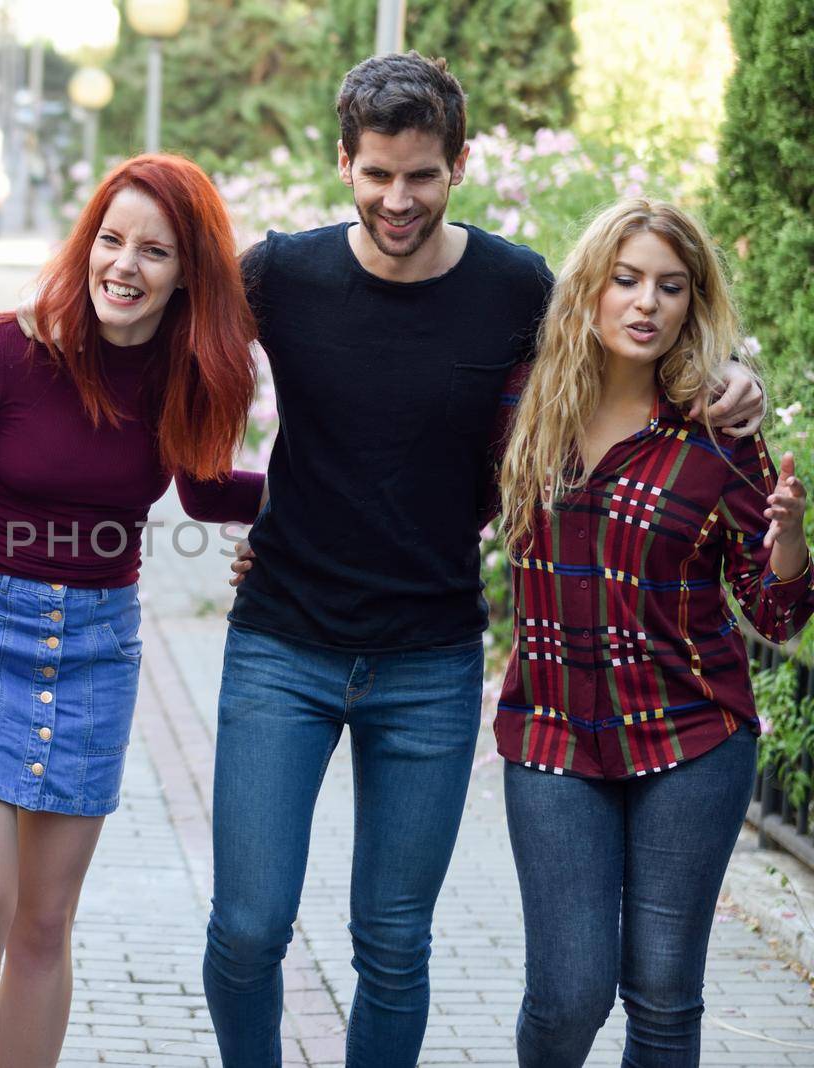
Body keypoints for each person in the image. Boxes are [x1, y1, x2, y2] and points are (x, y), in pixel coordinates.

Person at [209, 53, 764, 1067]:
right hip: (280, 646)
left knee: (391, 942)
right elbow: (169, 363)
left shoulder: (514, 286)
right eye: (377, 174)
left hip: (427, 659)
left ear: (458, 163)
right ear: (344, 164)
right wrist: (252, 509)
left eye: (421, 174)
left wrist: (738, 378)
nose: (398, 198)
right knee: (247, 927)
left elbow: (625, 349)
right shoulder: (281, 273)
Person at [0, 153, 266, 1067]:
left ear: (187, 273)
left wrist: (324, 497)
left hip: (94, 651)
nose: (124, 266)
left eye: (154, 251)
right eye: (112, 240)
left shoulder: (188, 376)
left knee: (44, 927)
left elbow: (207, 497)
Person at [491, 198, 809, 1066]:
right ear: (588, 290)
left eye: (671, 287)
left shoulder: (720, 432)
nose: (647, 303)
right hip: (553, 737)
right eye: (626, 280)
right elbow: (412, 495)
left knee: (664, 996)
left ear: (692, 303)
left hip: (691, 742)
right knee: (566, 996)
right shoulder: (523, 411)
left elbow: (775, 611)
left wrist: (786, 543)